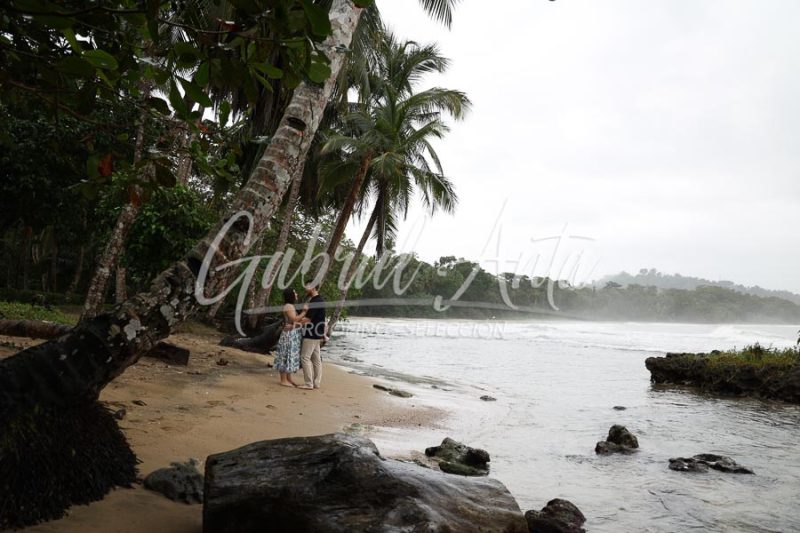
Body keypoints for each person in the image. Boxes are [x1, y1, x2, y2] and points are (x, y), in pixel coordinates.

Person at [274, 288, 308, 387]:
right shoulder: (288, 306)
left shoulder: (291, 305)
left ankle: (289, 378)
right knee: (285, 354)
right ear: (290, 295)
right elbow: (294, 319)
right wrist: (304, 312)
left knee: (289, 355)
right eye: (295, 292)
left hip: (291, 333)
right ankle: (283, 379)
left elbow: (294, 322)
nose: (296, 294)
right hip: (288, 334)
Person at [299, 283, 326, 390]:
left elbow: (307, 320)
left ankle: (309, 383)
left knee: (305, 358)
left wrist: (294, 323)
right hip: (317, 333)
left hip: (311, 333)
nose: (306, 288)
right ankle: (316, 383)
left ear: (313, 287)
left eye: (307, 286)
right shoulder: (320, 300)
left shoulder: (315, 301)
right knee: (316, 359)